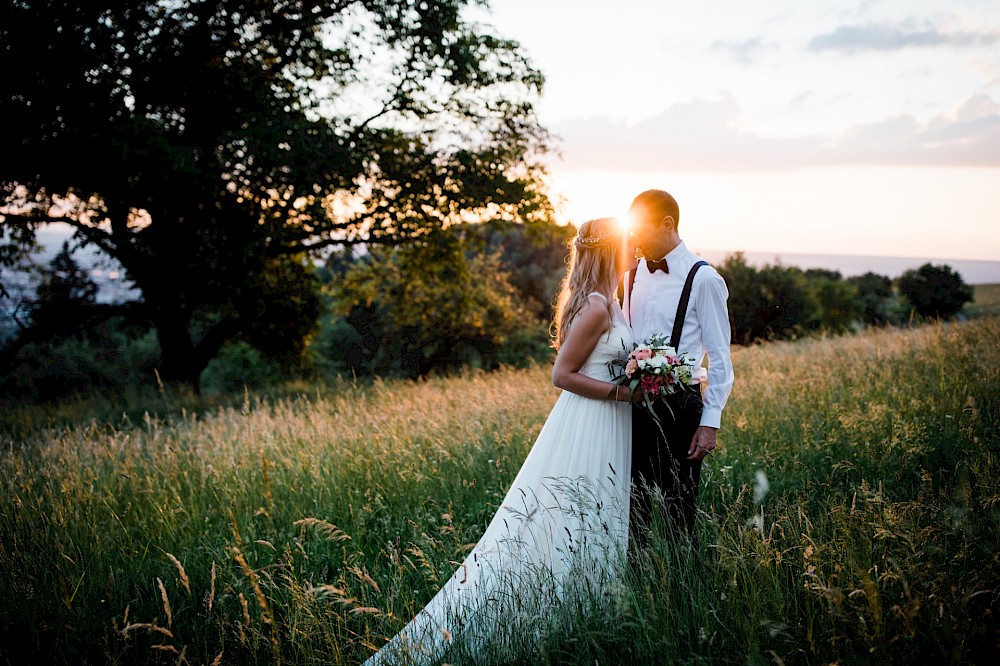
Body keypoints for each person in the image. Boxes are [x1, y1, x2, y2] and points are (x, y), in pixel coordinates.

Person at [363, 218, 637, 665]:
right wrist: (623, 393)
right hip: (593, 419)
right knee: (570, 517)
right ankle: (556, 618)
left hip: (610, 421)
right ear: (613, 250)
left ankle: (590, 615)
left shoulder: (610, 301)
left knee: (595, 514)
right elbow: (561, 375)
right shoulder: (597, 308)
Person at [623, 189, 734, 546]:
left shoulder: (704, 279)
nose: (634, 239)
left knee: (678, 514)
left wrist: (710, 422)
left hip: (682, 409)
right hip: (633, 407)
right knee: (632, 511)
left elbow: (720, 357)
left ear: (667, 223)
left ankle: (679, 590)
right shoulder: (628, 278)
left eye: (641, 229)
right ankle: (635, 592)